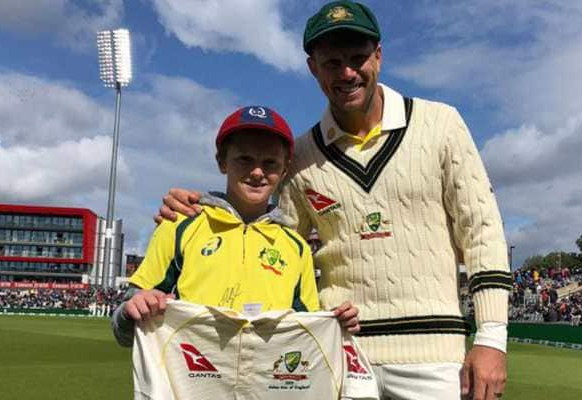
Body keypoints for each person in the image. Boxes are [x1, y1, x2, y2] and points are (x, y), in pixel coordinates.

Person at [157, 1, 512, 399]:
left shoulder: (441, 124)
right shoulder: (301, 154)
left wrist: (492, 338)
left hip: (434, 356)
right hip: (339, 350)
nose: (347, 73)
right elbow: (270, 240)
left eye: (358, 58)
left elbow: (482, 233)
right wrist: (204, 208)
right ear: (313, 67)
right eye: (331, 63)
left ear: (378, 55)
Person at [111, 105, 360, 348]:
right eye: (244, 159)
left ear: (285, 170)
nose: (257, 172)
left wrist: (333, 325)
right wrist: (133, 311)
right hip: (192, 385)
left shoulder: (296, 247)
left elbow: (306, 335)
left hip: (264, 386)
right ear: (222, 162)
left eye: (270, 163)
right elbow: (123, 328)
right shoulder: (179, 224)